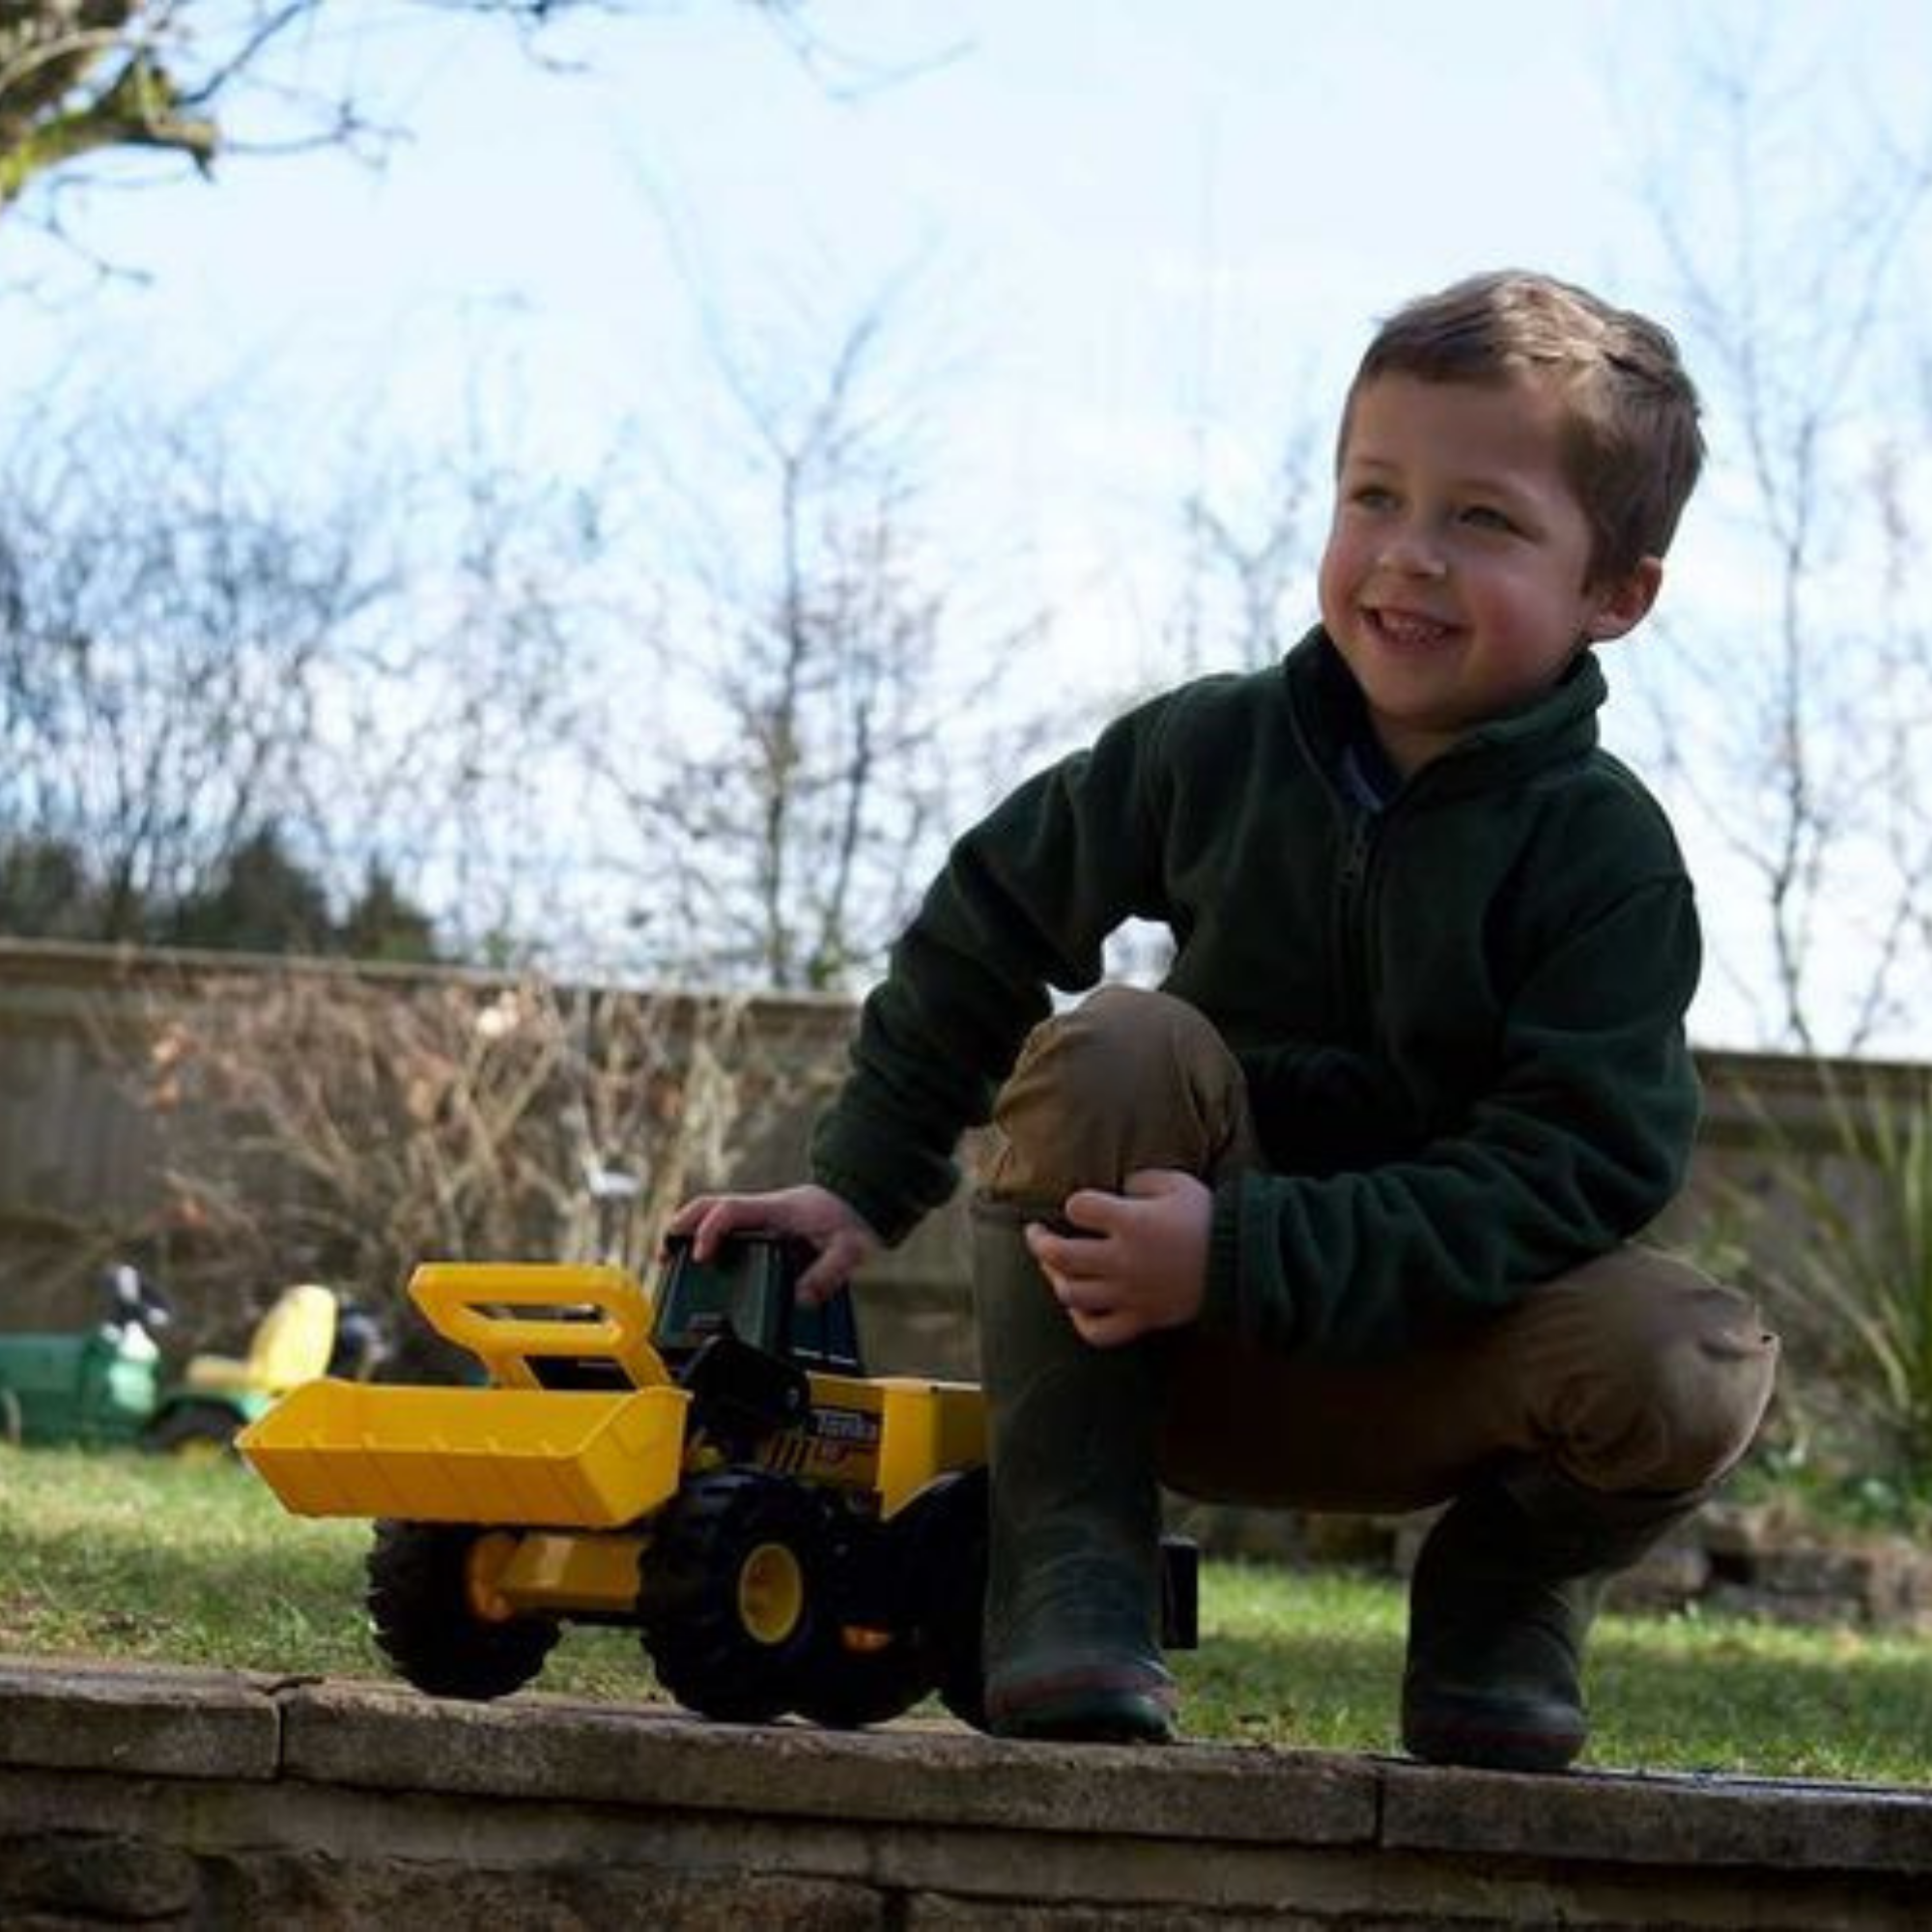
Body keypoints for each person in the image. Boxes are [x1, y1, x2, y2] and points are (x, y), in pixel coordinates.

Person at [670, 269, 1779, 1773]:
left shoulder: (1605, 859)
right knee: (1126, 1040)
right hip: (1147, 1349)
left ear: (1616, 593)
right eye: (1373, 496)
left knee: (1693, 1357)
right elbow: (992, 910)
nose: (1409, 556)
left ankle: (1501, 1595)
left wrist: (1248, 1253)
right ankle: (1069, 1559)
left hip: (1435, 1367)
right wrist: (864, 1176)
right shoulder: (1212, 748)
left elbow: (1573, 1169)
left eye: (1484, 519)